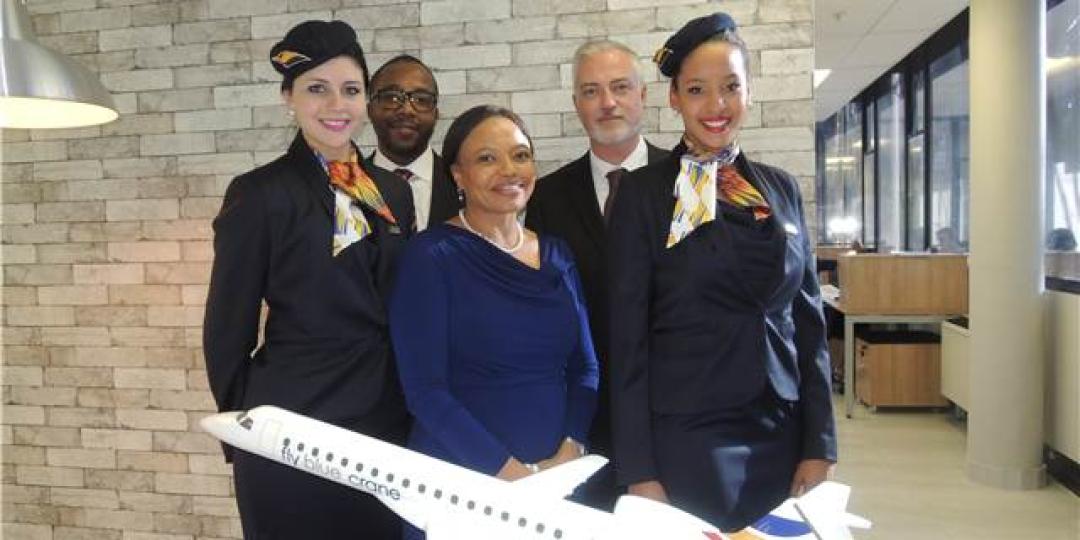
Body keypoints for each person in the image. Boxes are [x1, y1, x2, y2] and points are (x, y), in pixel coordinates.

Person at [607, 13, 837, 531]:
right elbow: (627, 343)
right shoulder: (642, 197)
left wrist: (819, 442)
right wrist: (640, 470)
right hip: (688, 434)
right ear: (673, 99)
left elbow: (809, 326)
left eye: (731, 87)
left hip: (779, 427)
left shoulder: (781, 190)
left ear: (749, 91)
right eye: (697, 90)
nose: (716, 107)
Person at [203, 20, 413, 539]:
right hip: (292, 431)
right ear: (288, 98)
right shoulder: (260, 194)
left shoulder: (392, 190)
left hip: (383, 430)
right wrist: (246, 432)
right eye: (316, 89)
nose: (336, 105)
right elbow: (226, 328)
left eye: (350, 90)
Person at [389, 105, 599, 540]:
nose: (509, 169)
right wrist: (513, 479)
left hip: (557, 484)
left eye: (521, 155)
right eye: (487, 158)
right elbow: (425, 391)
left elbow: (585, 367)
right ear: (458, 176)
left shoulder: (558, 254)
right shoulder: (430, 257)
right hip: (463, 487)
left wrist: (570, 451)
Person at [525, 39, 668, 510]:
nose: (607, 102)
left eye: (620, 87)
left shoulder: (686, 181)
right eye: (591, 91)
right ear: (576, 105)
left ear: (643, 95)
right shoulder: (543, 198)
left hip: (672, 417)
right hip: (582, 421)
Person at [367, 54, 460, 230]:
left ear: (436, 114)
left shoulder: (464, 185)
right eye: (392, 97)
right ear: (370, 110)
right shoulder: (347, 189)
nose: (407, 110)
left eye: (421, 100)